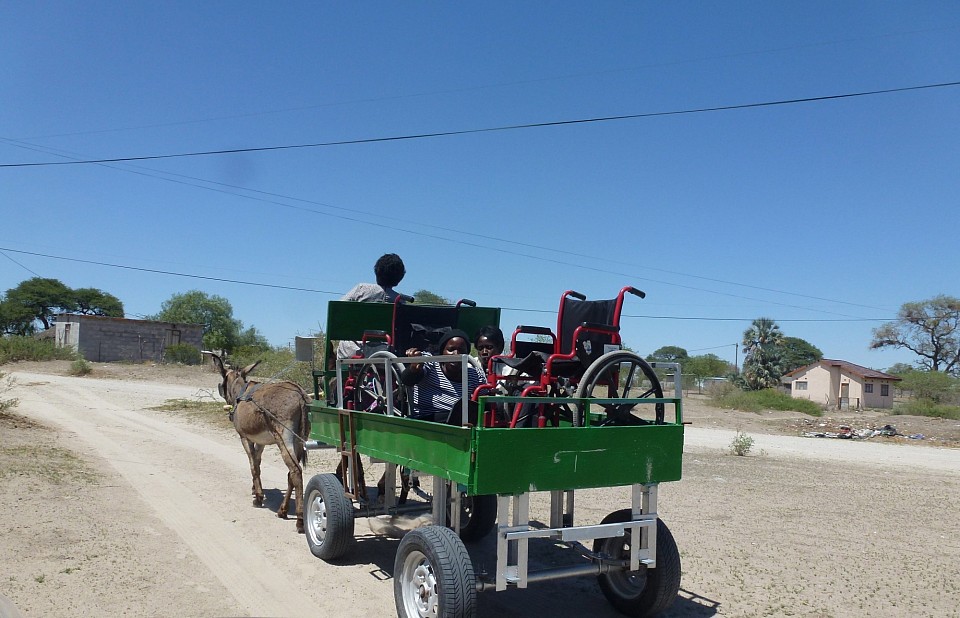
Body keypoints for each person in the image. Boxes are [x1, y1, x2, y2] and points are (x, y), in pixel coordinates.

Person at [400, 329, 486, 425]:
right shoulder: (430, 364)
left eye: (461, 351)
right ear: (442, 351)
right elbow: (407, 380)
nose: (456, 354)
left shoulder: (474, 374)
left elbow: (484, 402)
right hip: (426, 419)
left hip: (459, 422)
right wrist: (414, 368)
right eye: (451, 350)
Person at [336, 253, 406, 359]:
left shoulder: (361, 289)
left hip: (352, 352)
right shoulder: (400, 301)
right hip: (386, 354)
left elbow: (338, 310)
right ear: (399, 278)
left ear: (377, 272)